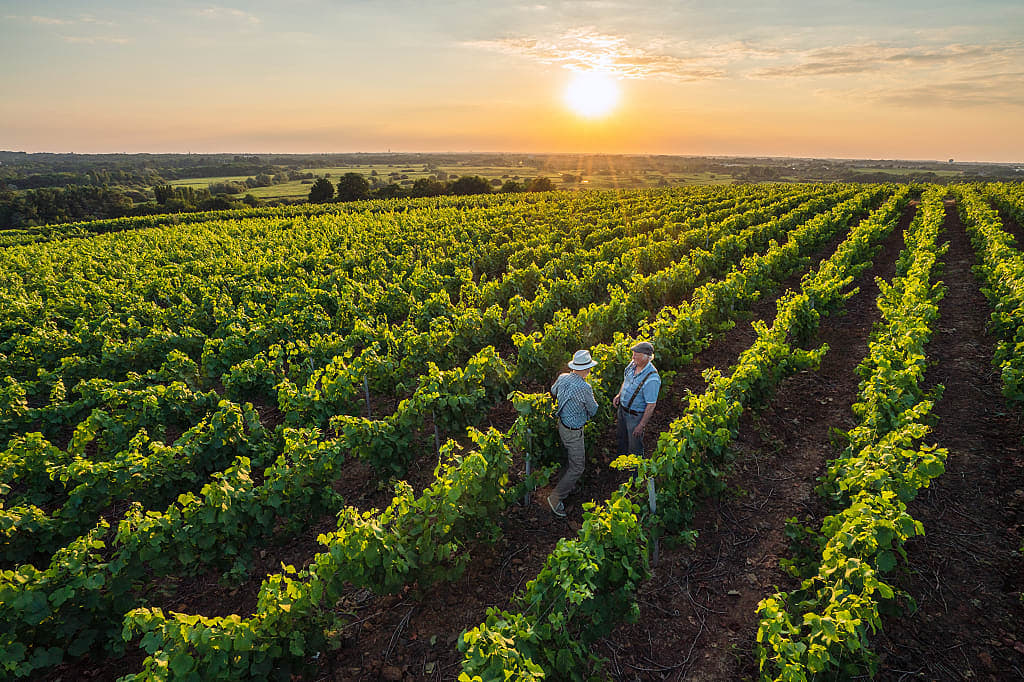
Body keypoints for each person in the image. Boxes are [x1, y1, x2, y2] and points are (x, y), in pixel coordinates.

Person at [547, 349, 599, 518]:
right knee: (578, 467)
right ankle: (555, 498)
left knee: (568, 459)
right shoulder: (585, 387)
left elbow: (553, 391)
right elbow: (594, 409)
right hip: (574, 432)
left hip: (561, 425)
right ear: (586, 369)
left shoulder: (563, 377)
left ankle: (566, 485)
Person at [613, 341, 661, 457]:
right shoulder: (632, 365)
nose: (633, 357)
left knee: (635, 447)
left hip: (635, 417)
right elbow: (626, 380)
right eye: (633, 354)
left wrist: (641, 425)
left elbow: (651, 405)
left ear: (646, 358)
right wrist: (619, 395)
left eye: (636, 355)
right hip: (622, 411)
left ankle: (635, 473)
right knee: (621, 438)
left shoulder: (652, 379)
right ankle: (622, 463)